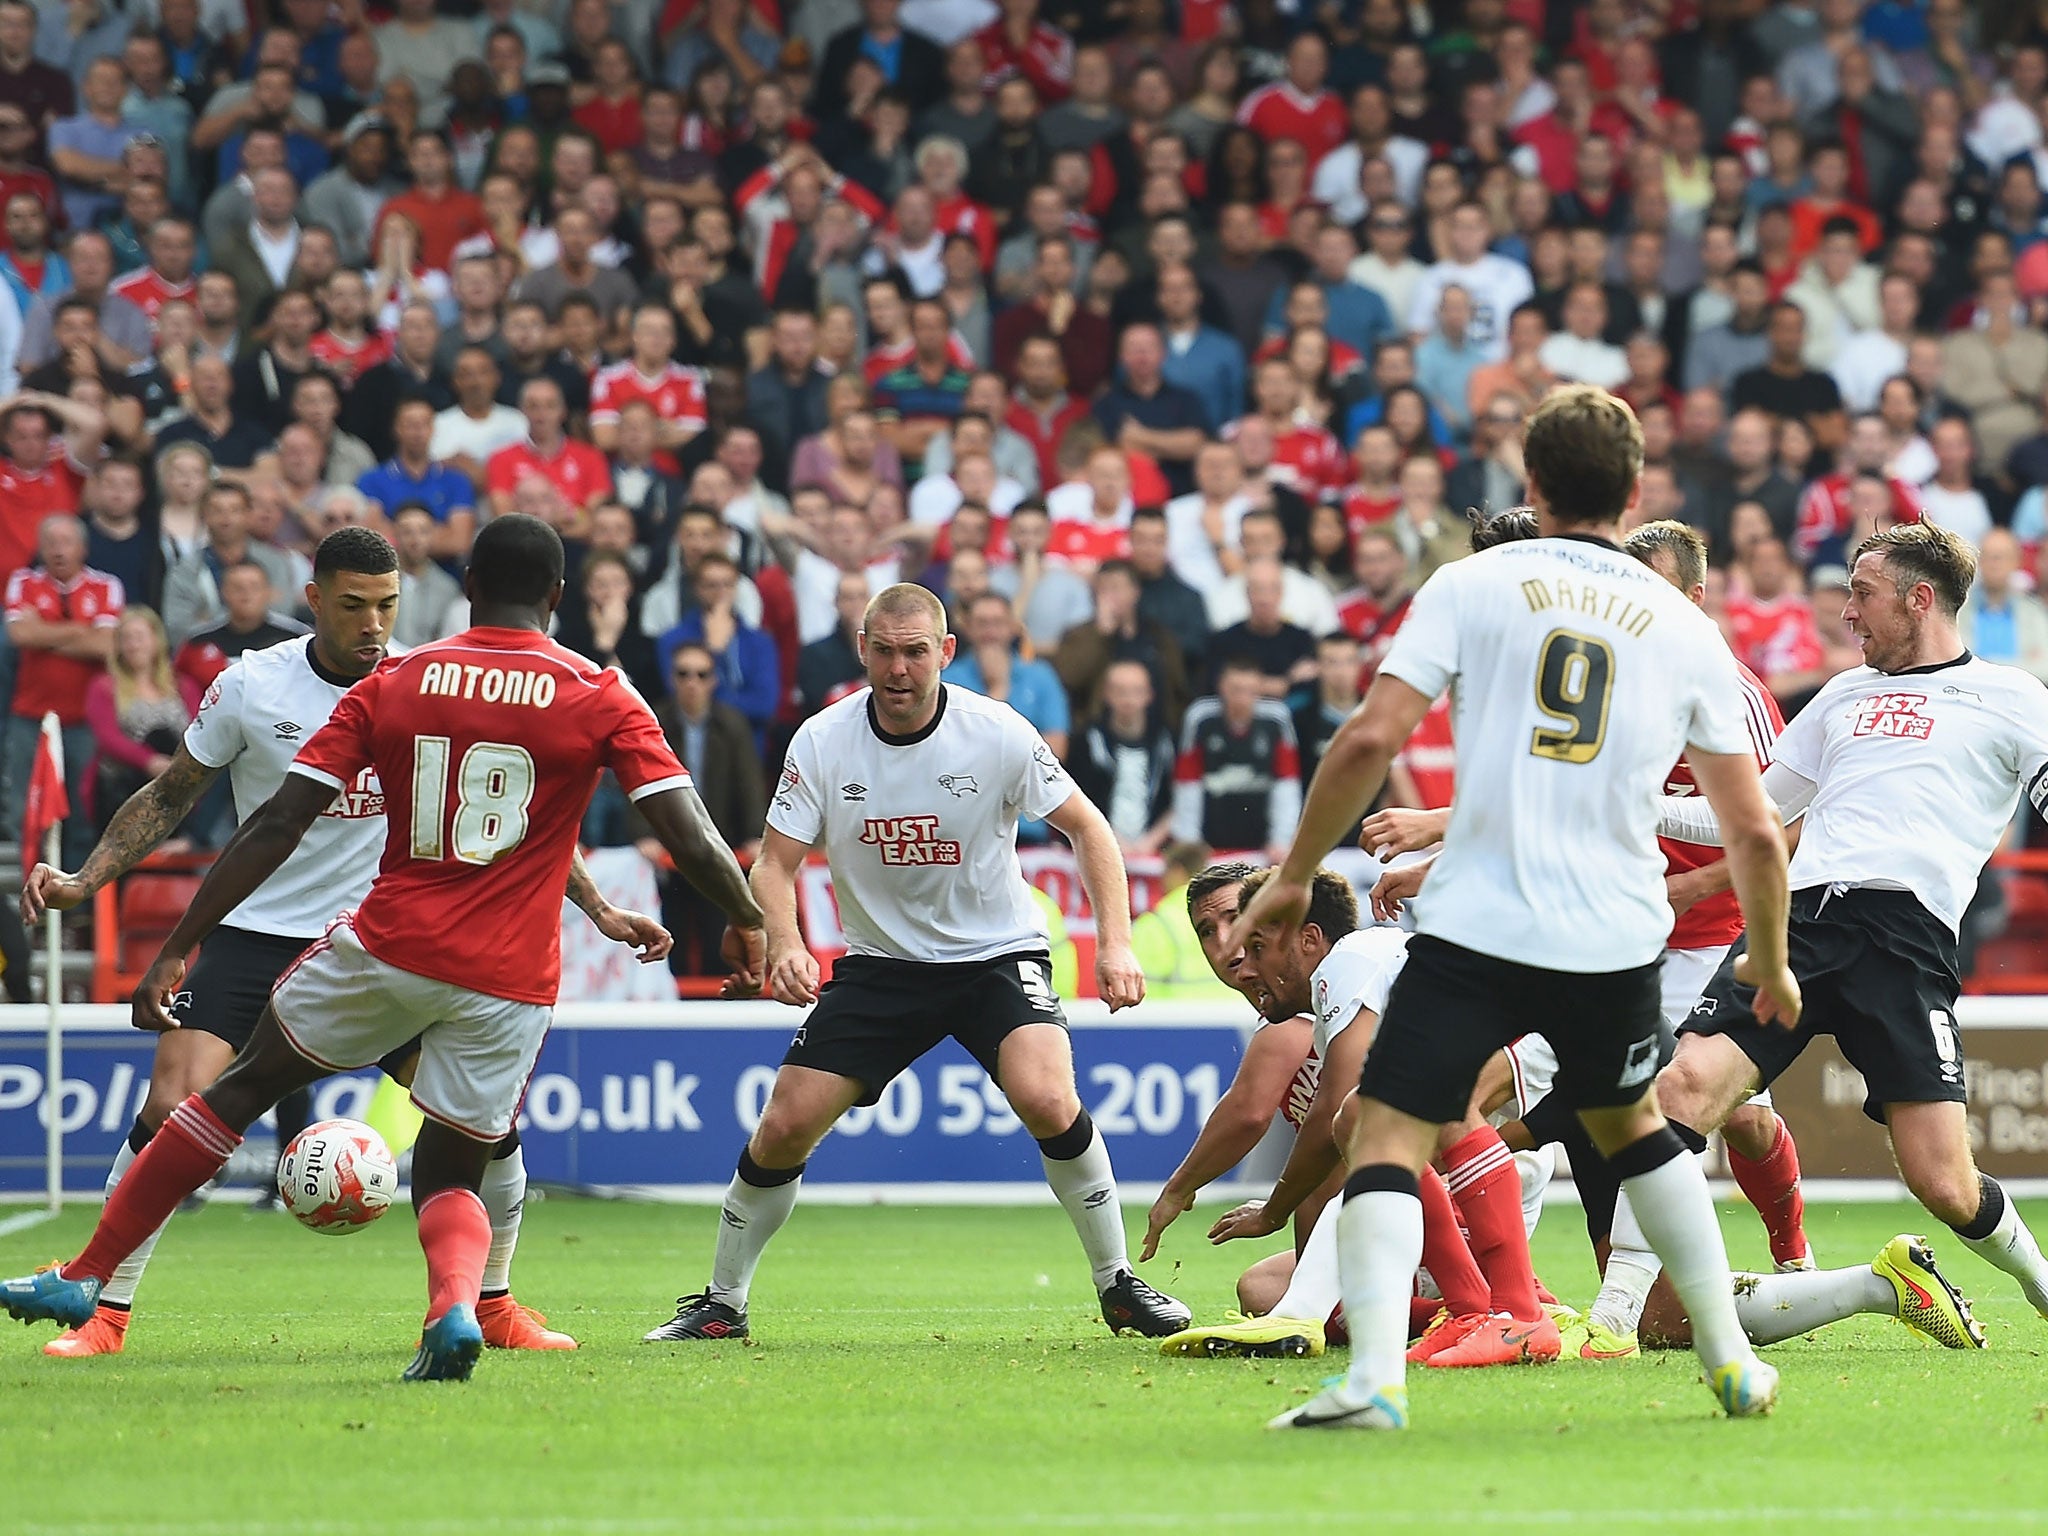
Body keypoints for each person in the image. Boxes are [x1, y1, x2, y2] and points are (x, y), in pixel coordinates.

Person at [3, 517, 767, 1381]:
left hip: (377, 936)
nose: (373, 624)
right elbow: (179, 792)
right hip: (308, 938)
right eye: (356, 606)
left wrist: (593, 906)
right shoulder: (259, 684)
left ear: (459, 585)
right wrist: (754, 920)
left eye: (388, 606)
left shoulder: (408, 679)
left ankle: (488, 1303)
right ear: (314, 600)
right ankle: (107, 1309)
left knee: (453, 1134)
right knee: (190, 1096)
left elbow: (447, 826)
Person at [1240, 384, 1797, 1431]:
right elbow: (1755, 830)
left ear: (1529, 484)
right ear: (1631, 493)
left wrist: (1291, 870)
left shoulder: (1473, 583)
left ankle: (1369, 1383)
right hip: (1614, 932)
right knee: (1634, 1130)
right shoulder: (1680, 628)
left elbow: (1366, 740)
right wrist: (1767, 961)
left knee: (1389, 1136)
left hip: (1477, 925)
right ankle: (1726, 1363)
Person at [642, 581, 1188, 1344]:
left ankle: (1118, 1283)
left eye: (916, 652)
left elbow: (1090, 830)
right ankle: (722, 1302)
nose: (899, 670)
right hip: (882, 965)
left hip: (995, 954)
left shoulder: (995, 731)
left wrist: (1119, 942)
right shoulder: (824, 740)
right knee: (785, 1125)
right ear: (863, 651)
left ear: (946, 654)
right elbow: (775, 862)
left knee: (1046, 1097)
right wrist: (790, 941)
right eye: (885, 652)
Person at [1644, 521, 2048, 1345]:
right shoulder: (1840, 695)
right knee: (1680, 1090)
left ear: (1919, 599)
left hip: (1906, 937)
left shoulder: (2013, 697)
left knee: (1945, 1184)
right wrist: (1629, 802)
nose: (1848, 615)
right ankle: (1644, 1302)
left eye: (1862, 595)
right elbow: (1754, 811)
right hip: (1799, 922)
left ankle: (2040, 1282)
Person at [4, 513, 121, 863]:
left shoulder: (106, 585)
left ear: (83, 548)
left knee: (82, 811)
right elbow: (19, 635)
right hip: (29, 716)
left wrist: (45, 633)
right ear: (40, 547)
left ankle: (76, 906)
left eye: (66, 542)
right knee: (21, 810)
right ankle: (28, 901)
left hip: (85, 720)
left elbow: (105, 646)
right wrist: (80, 630)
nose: (58, 550)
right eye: (51, 542)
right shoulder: (22, 581)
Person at [644, 638, 766, 972]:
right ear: (672, 678)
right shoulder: (653, 721)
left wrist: (755, 835)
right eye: (683, 674)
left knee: (718, 945)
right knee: (670, 947)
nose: (692, 683)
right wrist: (643, 835)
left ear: (714, 680)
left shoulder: (733, 724)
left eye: (701, 674)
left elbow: (749, 784)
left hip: (718, 850)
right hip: (669, 851)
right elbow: (633, 777)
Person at [1170, 656, 1301, 860]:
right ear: (1221, 686)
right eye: (1235, 689)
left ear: (1260, 689)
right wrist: (1190, 842)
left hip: (1262, 847)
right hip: (1211, 845)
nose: (1242, 697)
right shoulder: (1201, 718)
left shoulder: (1276, 719)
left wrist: (1281, 840)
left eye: (1250, 690)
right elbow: (1188, 785)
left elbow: (1286, 785)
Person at [83, 606, 199, 832]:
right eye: (126, 638)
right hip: (123, 786)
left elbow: (199, 728)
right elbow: (108, 737)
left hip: (179, 782)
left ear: (156, 640)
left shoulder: (183, 685)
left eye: (140, 637)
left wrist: (176, 767)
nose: (133, 645)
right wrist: (150, 762)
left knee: (166, 736)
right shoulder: (104, 686)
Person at [1065, 656, 1173, 857]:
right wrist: (1110, 838)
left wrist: (1151, 841)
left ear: (1149, 695)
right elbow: (1075, 798)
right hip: (1098, 847)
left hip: (1153, 851)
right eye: (1120, 691)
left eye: (1136, 691)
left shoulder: (1166, 742)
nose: (1128, 699)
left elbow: (1179, 800)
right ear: (1106, 694)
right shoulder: (1087, 741)